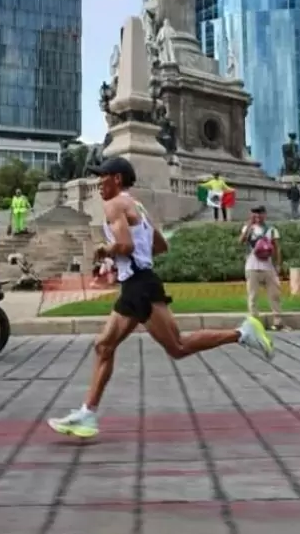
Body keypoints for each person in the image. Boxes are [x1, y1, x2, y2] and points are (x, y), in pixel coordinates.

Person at [48, 156, 274, 440]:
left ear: (117, 178)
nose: (98, 183)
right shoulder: (137, 206)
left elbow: (126, 245)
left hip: (139, 286)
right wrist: (136, 261)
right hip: (137, 283)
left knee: (178, 347)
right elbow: (160, 245)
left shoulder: (114, 204)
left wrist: (105, 250)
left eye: (102, 177)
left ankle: (243, 332)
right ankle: (87, 415)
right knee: (104, 345)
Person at [239, 206, 283, 330]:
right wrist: (249, 225)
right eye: (255, 215)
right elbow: (241, 241)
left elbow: (277, 248)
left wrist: (278, 264)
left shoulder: (272, 230)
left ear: (265, 215)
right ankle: (254, 320)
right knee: (252, 295)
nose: (258, 218)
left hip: (268, 266)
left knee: (274, 294)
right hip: (252, 266)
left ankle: (277, 320)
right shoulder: (249, 229)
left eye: (260, 215)